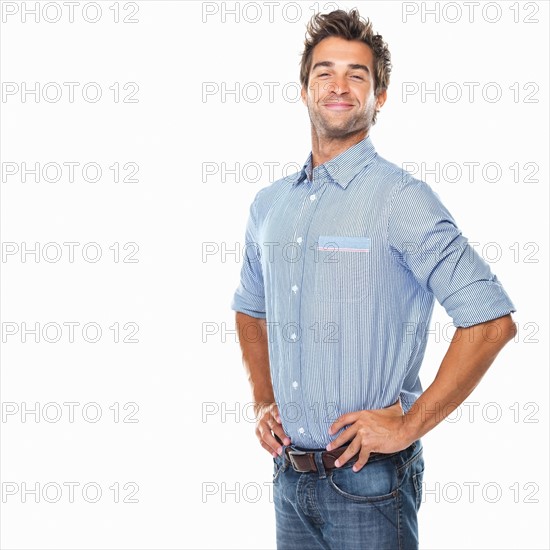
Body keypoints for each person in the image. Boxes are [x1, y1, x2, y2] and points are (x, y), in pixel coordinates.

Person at [231, 8, 517, 550]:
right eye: (325, 72)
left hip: (370, 481)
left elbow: (490, 321)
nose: (339, 86)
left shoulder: (400, 199)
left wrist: (409, 426)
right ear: (304, 89)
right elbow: (250, 306)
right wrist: (262, 398)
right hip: (288, 478)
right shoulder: (268, 205)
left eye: (356, 75)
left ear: (378, 97)